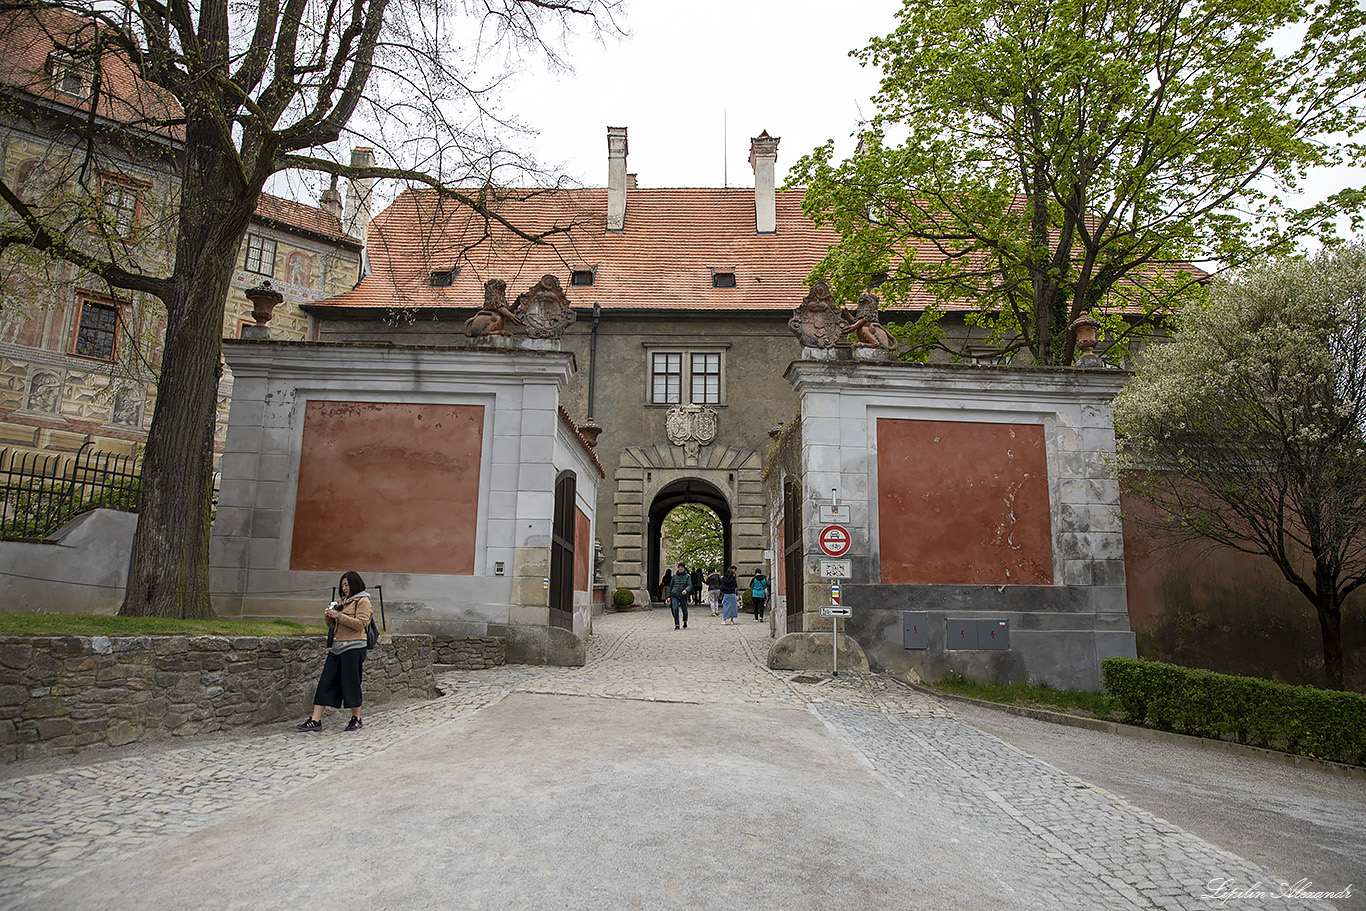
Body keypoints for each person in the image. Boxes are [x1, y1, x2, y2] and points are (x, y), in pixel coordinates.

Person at [296, 571, 374, 732]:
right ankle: (315, 720)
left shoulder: (363, 601)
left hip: (353, 647)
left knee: (351, 683)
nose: (344, 588)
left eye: (347, 585)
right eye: (342, 585)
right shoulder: (341, 601)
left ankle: (356, 718)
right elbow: (330, 625)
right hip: (337, 648)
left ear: (355, 584)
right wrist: (329, 615)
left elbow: (361, 623)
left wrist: (339, 616)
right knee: (325, 682)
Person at [668, 562, 691, 629]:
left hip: (683, 595)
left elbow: (689, 585)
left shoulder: (687, 576)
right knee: (675, 609)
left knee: (684, 610)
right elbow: (671, 586)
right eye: (679, 567)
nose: (680, 568)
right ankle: (677, 624)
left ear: (684, 568)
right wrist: (669, 596)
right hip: (675, 595)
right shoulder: (674, 577)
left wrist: (686, 590)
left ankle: (685, 621)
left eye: (682, 567)